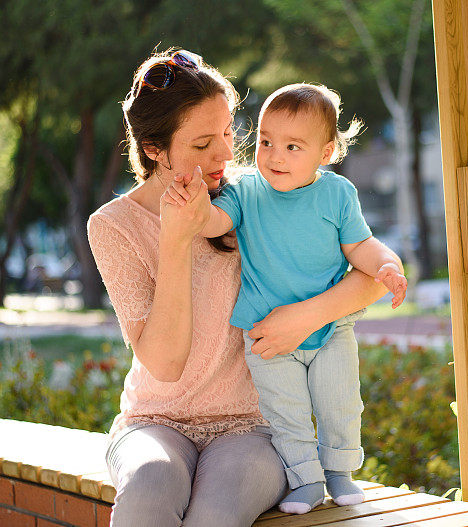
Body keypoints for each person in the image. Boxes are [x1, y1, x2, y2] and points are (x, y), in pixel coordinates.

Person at [87, 50, 387, 526]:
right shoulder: (114, 226)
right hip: (155, 422)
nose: (227, 154)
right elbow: (164, 364)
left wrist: (301, 320)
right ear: (153, 149)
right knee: (148, 491)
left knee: (215, 516)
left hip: (254, 424)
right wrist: (177, 237)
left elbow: (374, 274)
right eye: (204, 143)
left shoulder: (260, 190)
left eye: (229, 132)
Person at [162, 83, 407, 515]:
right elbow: (217, 221)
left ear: (326, 152)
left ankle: (340, 472)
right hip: (266, 332)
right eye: (266, 142)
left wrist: (386, 265)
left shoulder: (337, 195)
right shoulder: (248, 191)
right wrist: (196, 210)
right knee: (286, 413)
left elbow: (361, 246)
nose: (275, 156)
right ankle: (306, 478)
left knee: (340, 400)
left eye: (293, 146)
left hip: (331, 328)